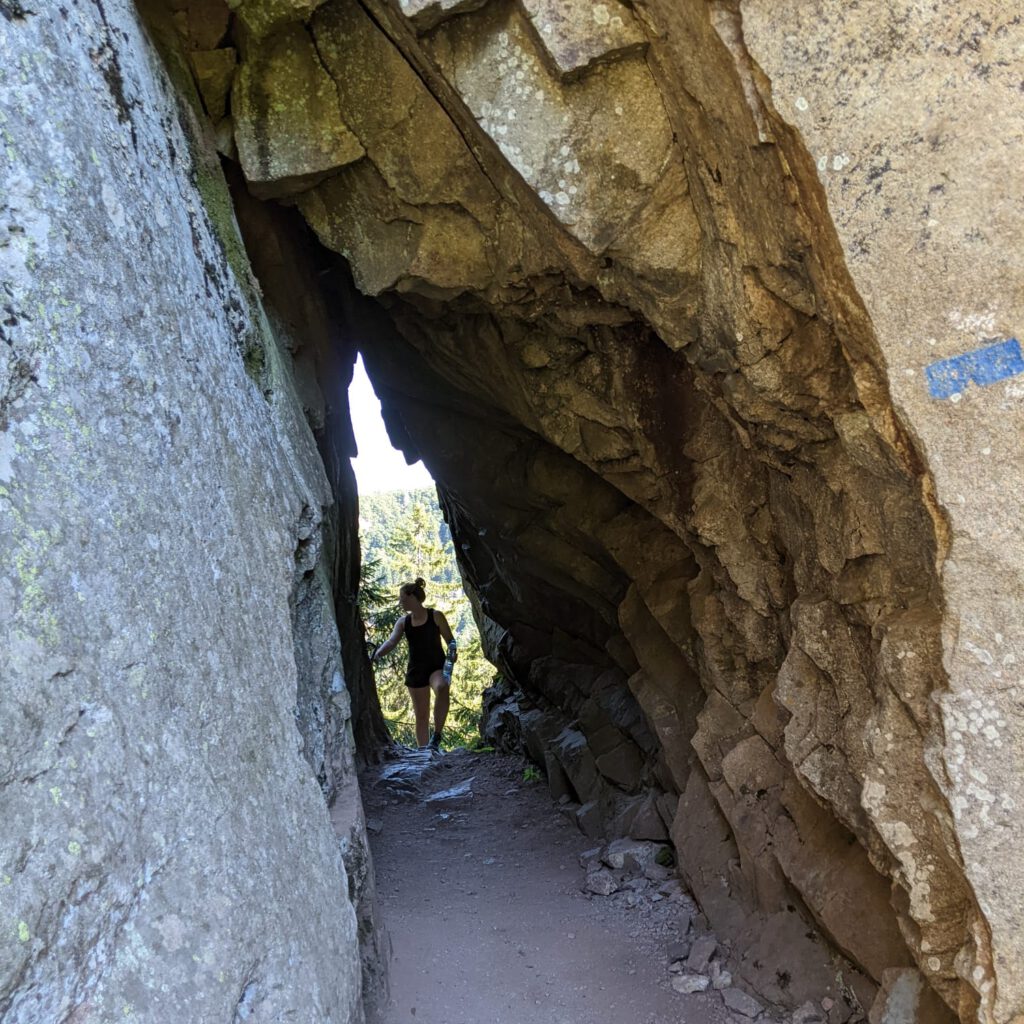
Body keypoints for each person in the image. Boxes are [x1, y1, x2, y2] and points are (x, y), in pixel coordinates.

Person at [371, 577, 457, 751]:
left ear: (412, 598)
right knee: (421, 716)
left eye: (403, 599)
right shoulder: (404, 622)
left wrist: (452, 653)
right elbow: (391, 642)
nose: (401, 602)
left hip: (436, 667)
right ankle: (423, 752)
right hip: (416, 672)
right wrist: (376, 655)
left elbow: (450, 640)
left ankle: (437, 736)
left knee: (442, 686)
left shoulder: (436, 616)